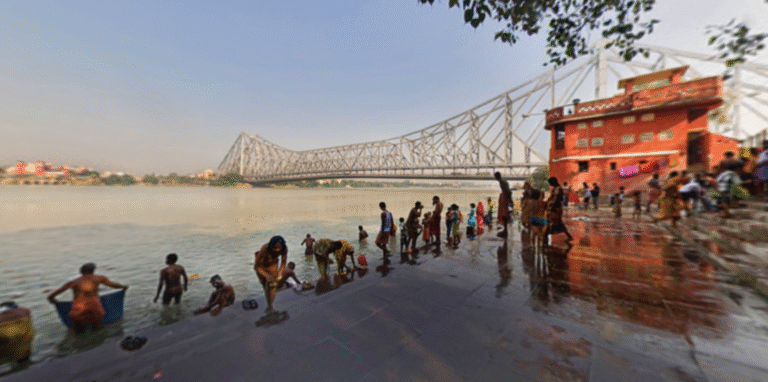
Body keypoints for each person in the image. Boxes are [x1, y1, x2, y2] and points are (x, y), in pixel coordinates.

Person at [47, 263, 128, 333]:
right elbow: (114, 285)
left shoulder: (73, 282)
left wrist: (54, 302)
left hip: (79, 309)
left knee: (79, 332)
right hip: (95, 307)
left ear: (81, 271)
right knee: (98, 330)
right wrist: (123, 287)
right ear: (93, 271)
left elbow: (51, 296)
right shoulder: (99, 278)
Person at [254, 235, 288, 314]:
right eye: (275, 248)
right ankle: (269, 305)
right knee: (265, 283)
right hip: (262, 266)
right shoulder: (265, 249)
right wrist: (266, 275)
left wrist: (280, 273)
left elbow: (283, 263)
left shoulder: (284, 248)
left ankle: (270, 305)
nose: (277, 250)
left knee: (273, 285)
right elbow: (256, 267)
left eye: (279, 248)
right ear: (271, 246)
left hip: (273, 264)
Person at [544, 177, 573, 243]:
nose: (550, 184)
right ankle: (568, 236)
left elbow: (556, 199)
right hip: (555, 208)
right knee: (556, 222)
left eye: (550, 182)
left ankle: (546, 235)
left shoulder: (558, 189)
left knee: (552, 221)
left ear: (553, 182)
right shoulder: (557, 188)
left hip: (555, 208)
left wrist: (551, 207)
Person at [495, 172, 512, 237]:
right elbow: (508, 191)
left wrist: (509, 199)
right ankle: (505, 231)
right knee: (504, 214)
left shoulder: (501, 182)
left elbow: (507, 191)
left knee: (504, 215)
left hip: (504, 198)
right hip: (505, 198)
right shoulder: (503, 181)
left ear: (496, 176)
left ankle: (505, 232)